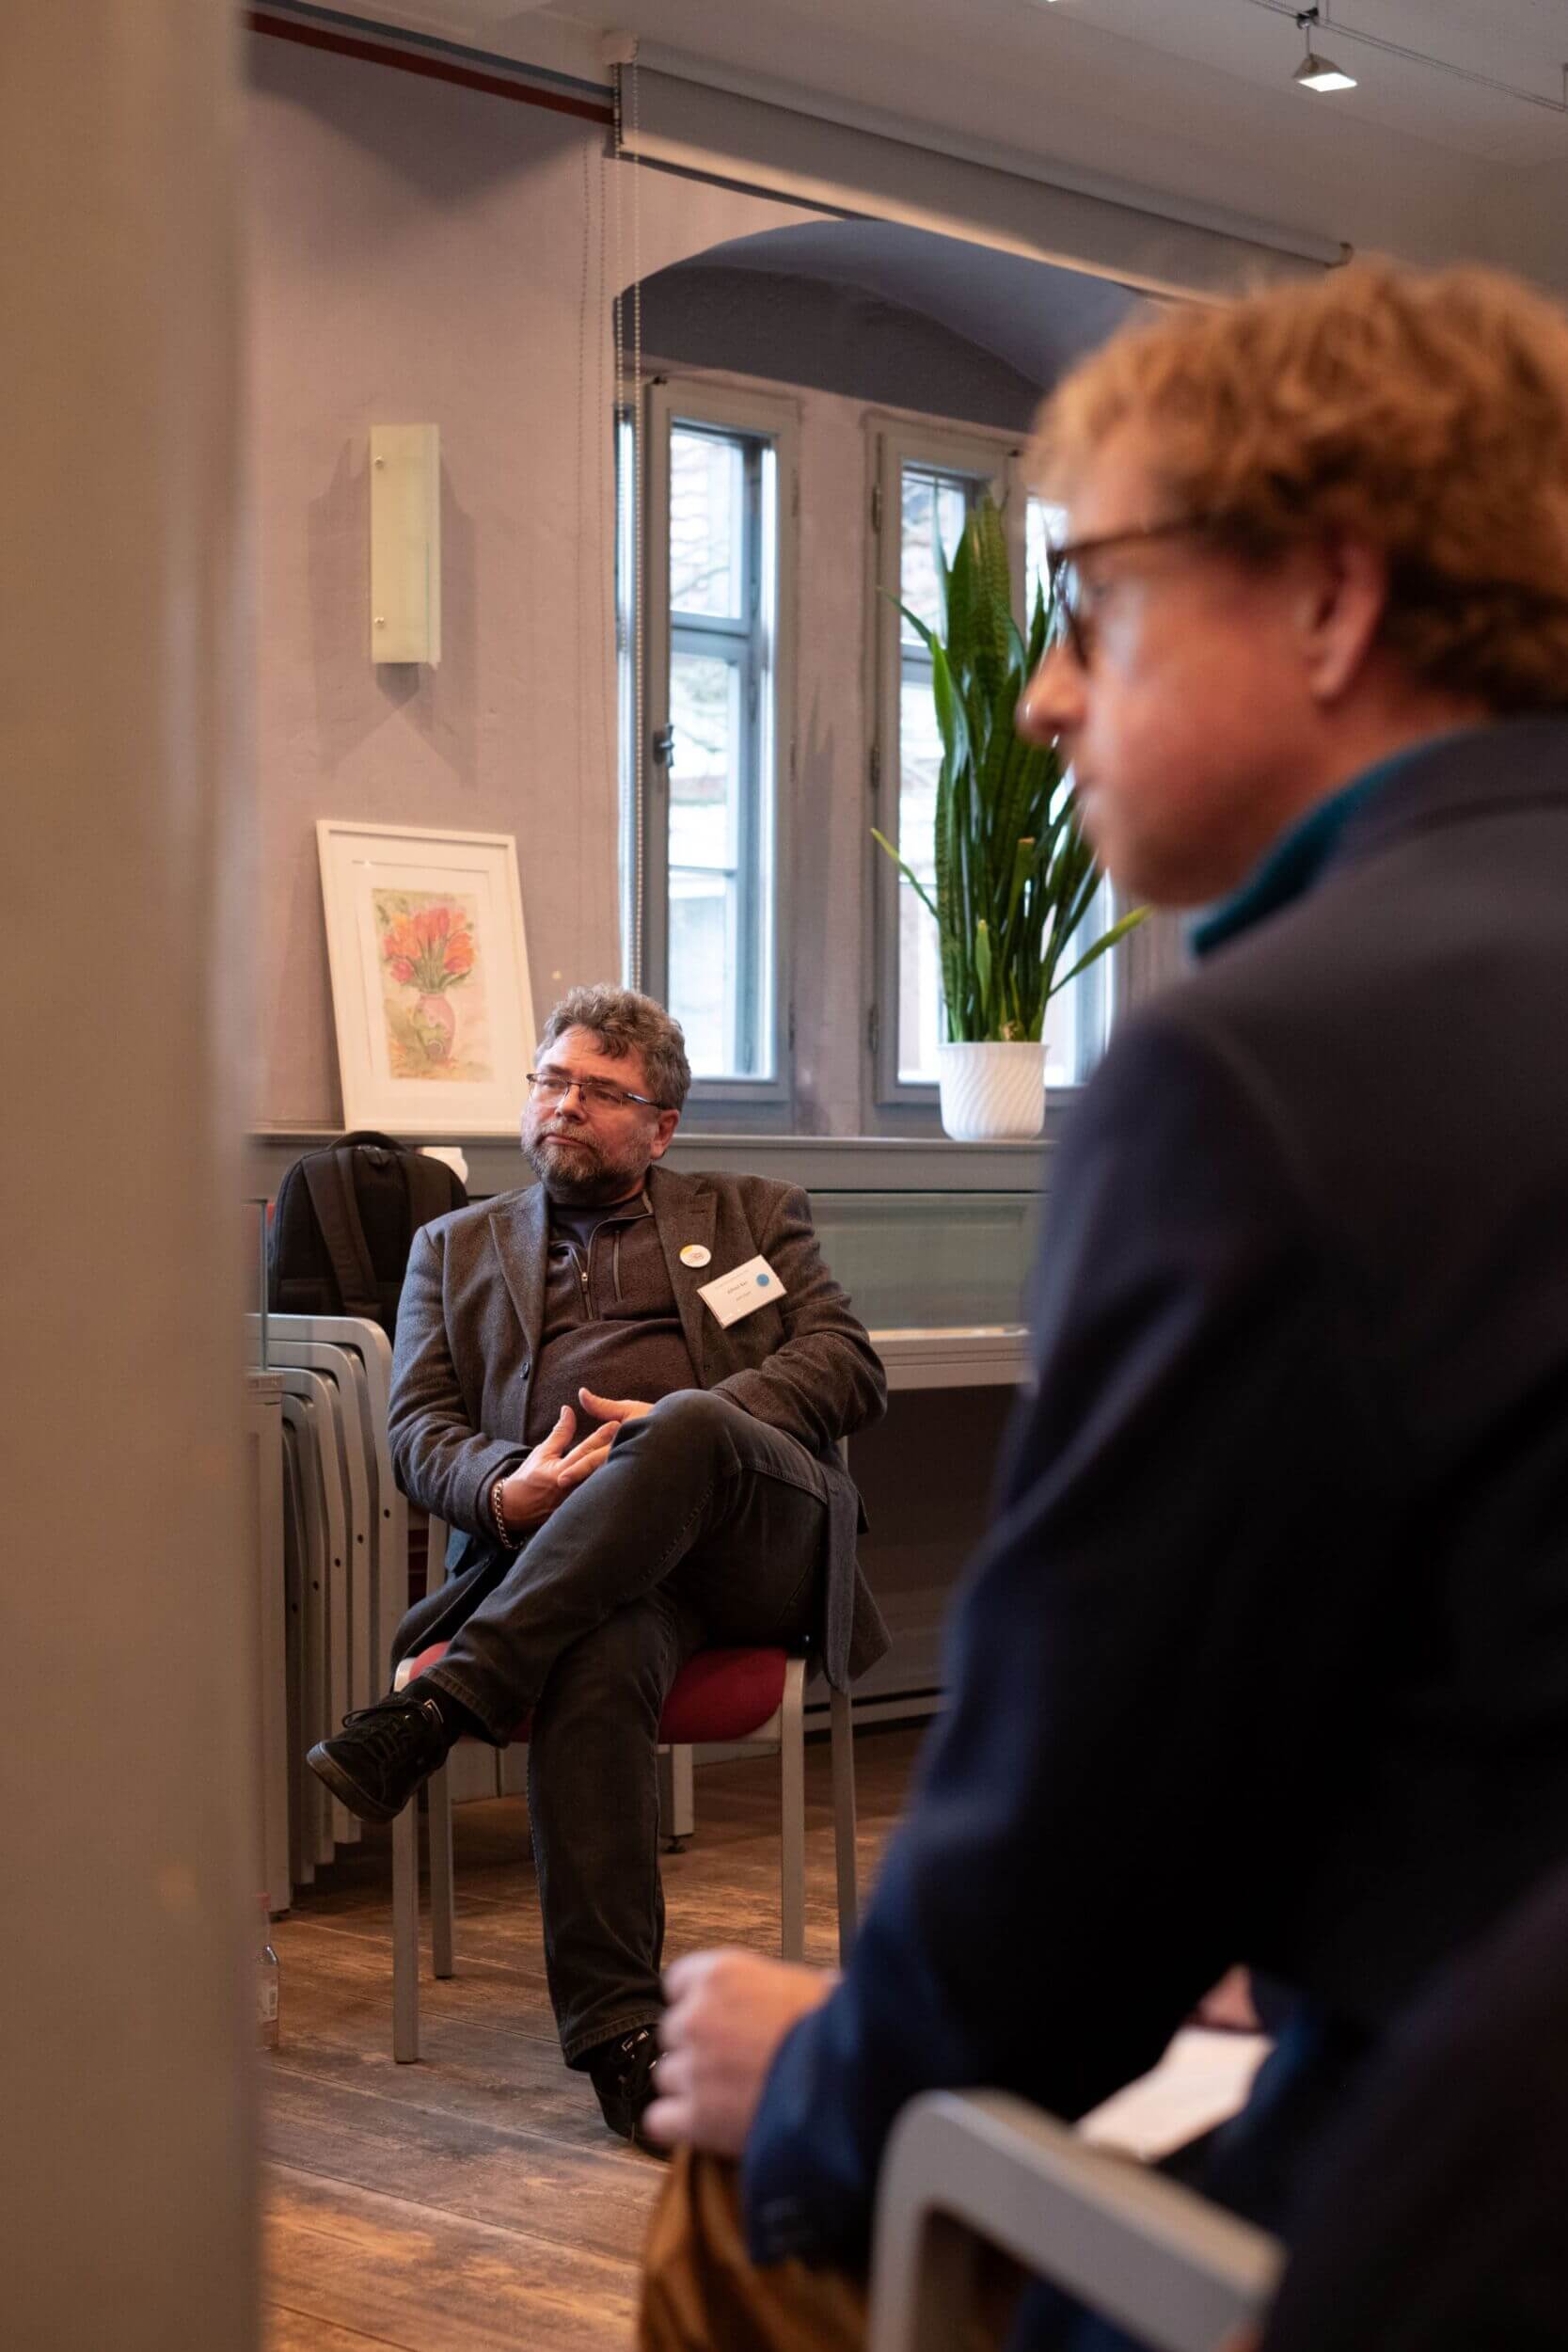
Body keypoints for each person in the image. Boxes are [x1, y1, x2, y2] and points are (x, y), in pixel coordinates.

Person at [637, 261, 1568, 2348]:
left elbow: (1053, 1900)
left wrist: (820, 2076)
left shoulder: (1271, 1064)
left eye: (1093, 599)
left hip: (1442, 2240)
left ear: (1329, 595)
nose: (1043, 698)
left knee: (736, 2197)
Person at [308, 984, 888, 2146]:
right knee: (596, 1655)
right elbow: (416, 1427)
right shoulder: (452, 1246)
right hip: (574, 1562)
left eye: (600, 1091)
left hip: (749, 1537)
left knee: (684, 1426)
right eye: (551, 1079)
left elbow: (845, 1364)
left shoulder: (753, 1213)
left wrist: (685, 1423)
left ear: (660, 1126)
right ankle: (620, 2035)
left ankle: (445, 1701)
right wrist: (504, 1488)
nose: (564, 1104)